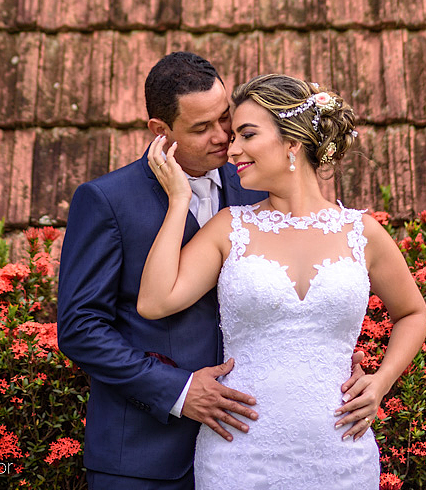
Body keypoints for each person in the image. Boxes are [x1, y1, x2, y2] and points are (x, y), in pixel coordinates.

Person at [57, 53, 366, 490]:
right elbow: (80, 328)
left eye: (225, 118)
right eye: (202, 128)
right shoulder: (107, 201)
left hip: (255, 443)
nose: (224, 137)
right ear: (160, 132)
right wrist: (180, 391)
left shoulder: (258, 183)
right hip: (144, 456)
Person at [138, 73, 426, 490]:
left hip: (340, 453)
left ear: (292, 141)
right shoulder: (228, 227)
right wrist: (179, 200)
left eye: (247, 134)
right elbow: (154, 301)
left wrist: (380, 383)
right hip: (240, 455)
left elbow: (413, 313)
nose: (232, 147)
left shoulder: (362, 233)